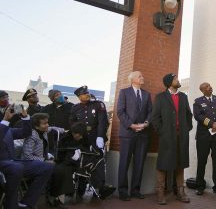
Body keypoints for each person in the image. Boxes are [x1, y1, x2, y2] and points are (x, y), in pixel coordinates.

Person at [0, 105, 53, 209]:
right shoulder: (3, 126)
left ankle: (26, 202)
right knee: (16, 167)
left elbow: (26, 132)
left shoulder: (7, 129)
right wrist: (5, 120)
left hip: (14, 163)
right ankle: (10, 205)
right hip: (3, 164)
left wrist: (25, 117)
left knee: (47, 166)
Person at [151, 73, 193, 205]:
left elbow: (188, 114)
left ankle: (180, 191)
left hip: (182, 135)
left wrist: (186, 129)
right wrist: (162, 132)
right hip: (167, 136)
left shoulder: (183, 96)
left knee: (181, 163)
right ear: (170, 82)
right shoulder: (161, 97)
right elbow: (155, 118)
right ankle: (160, 193)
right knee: (163, 163)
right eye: (176, 79)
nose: (178, 80)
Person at [69, 85, 115, 199]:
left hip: (96, 140)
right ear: (79, 97)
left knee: (98, 163)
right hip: (82, 141)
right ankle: (80, 190)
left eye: (88, 92)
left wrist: (100, 137)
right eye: (84, 94)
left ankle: (99, 189)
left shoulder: (98, 104)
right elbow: (72, 124)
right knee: (83, 163)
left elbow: (103, 122)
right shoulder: (75, 108)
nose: (87, 94)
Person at [117, 71, 153, 201]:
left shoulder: (147, 94)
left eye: (142, 76)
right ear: (132, 79)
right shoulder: (124, 92)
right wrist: (131, 125)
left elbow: (150, 111)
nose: (142, 78)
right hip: (127, 133)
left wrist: (146, 123)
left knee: (139, 163)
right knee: (124, 163)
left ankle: (135, 190)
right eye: (140, 76)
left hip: (143, 134)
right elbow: (120, 112)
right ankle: (122, 191)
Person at [21, 113, 70, 207]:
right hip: (30, 164)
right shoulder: (31, 136)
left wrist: (66, 131)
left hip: (43, 160)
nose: (47, 125)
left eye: (47, 122)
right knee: (58, 170)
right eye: (44, 123)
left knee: (63, 169)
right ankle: (54, 198)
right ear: (36, 126)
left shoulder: (44, 131)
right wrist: (44, 160)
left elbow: (53, 128)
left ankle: (57, 197)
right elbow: (27, 156)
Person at [193, 82, 216, 196]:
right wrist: (211, 124)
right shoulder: (198, 101)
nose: (210, 87)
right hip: (203, 136)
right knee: (202, 161)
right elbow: (198, 116)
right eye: (207, 87)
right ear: (202, 90)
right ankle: (200, 186)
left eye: (210, 86)